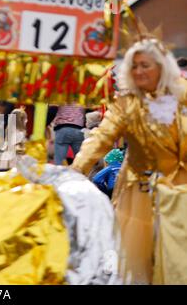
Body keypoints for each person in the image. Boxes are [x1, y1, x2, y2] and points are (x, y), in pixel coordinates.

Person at [72, 37, 187, 284]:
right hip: (138, 192)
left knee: (177, 257)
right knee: (140, 259)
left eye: (146, 65)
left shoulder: (182, 95)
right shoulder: (126, 103)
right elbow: (101, 137)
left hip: (179, 190)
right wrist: (76, 168)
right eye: (134, 66)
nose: (139, 71)